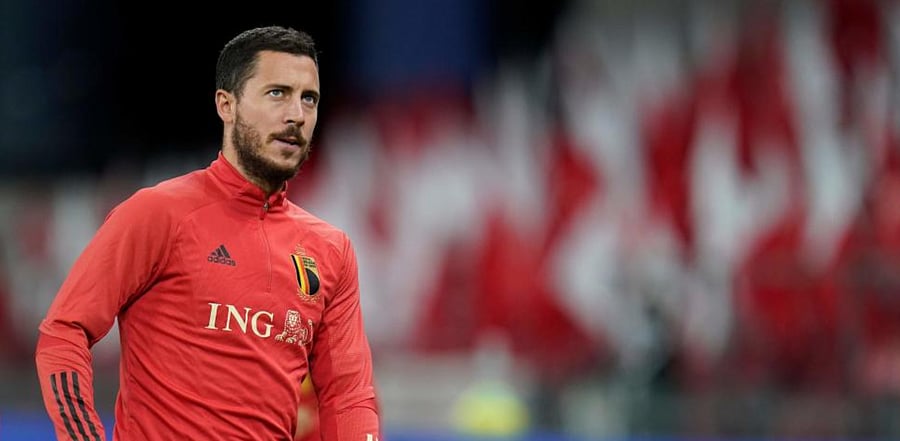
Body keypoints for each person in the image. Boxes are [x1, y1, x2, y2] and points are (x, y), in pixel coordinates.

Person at [35, 25, 380, 440]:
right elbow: (64, 331)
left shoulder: (330, 250)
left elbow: (349, 397)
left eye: (309, 98)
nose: (297, 115)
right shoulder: (158, 213)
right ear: (226, 104)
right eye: (277, 93)